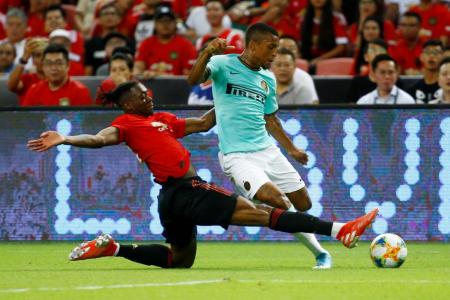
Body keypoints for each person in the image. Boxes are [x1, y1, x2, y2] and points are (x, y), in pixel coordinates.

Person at [27, 80, 379, 268]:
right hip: (186, 191)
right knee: (264, 213)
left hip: (171, 198)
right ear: (127, 104)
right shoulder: (126, 123)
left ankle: (115, 248)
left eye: (148, 93)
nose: (149, 97)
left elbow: (205, 122)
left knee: (179, 260)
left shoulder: (163, 120)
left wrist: (231, 89)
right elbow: (100, 139)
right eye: (142, 95)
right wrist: (66, 139)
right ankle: (340, 230)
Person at [188, 23, 333, 269]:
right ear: (253, 45)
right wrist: (207, 53)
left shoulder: (267, 78)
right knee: (279, 202)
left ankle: (251, 207)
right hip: (238, 156)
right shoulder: (223, 64)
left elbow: (271, 119)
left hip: (267, 150)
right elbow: (193, 79)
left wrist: (292, 149)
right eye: (272, 47)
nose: (276, 53)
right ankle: (321, 254)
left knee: (304, 204)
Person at [134, 6, 197, 78]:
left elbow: (190, 76)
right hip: (150, 86)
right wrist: (141, 74)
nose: (165, 24)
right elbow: (137, 69)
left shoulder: (186, 45)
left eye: (169, 20)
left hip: (178, 87)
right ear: (155, 24)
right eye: (161, 21)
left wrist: (161, 76)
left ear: (175, 23)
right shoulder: (146, 44)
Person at [22, 44, 92, 106]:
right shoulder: (34, 90)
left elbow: (83, 120)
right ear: (43, 66)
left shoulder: (80, 91)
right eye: (49, 63)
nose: (54, 68)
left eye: (59, 63)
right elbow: (25, 118)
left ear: (68, 65)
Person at [7, 37, 47, 105]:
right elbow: (11, 86)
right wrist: (24, 58)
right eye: (38, 55)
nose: (42, 59)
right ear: (33, 60)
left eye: (45, 55)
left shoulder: (58, 80)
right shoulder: (27, 79)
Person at [408, 39, 444, 103]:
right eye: (428, 52)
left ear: (442, 57)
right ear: (421, 57)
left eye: (436, 52)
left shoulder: (446, 89)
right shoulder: (412, 91)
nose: (432, 56)